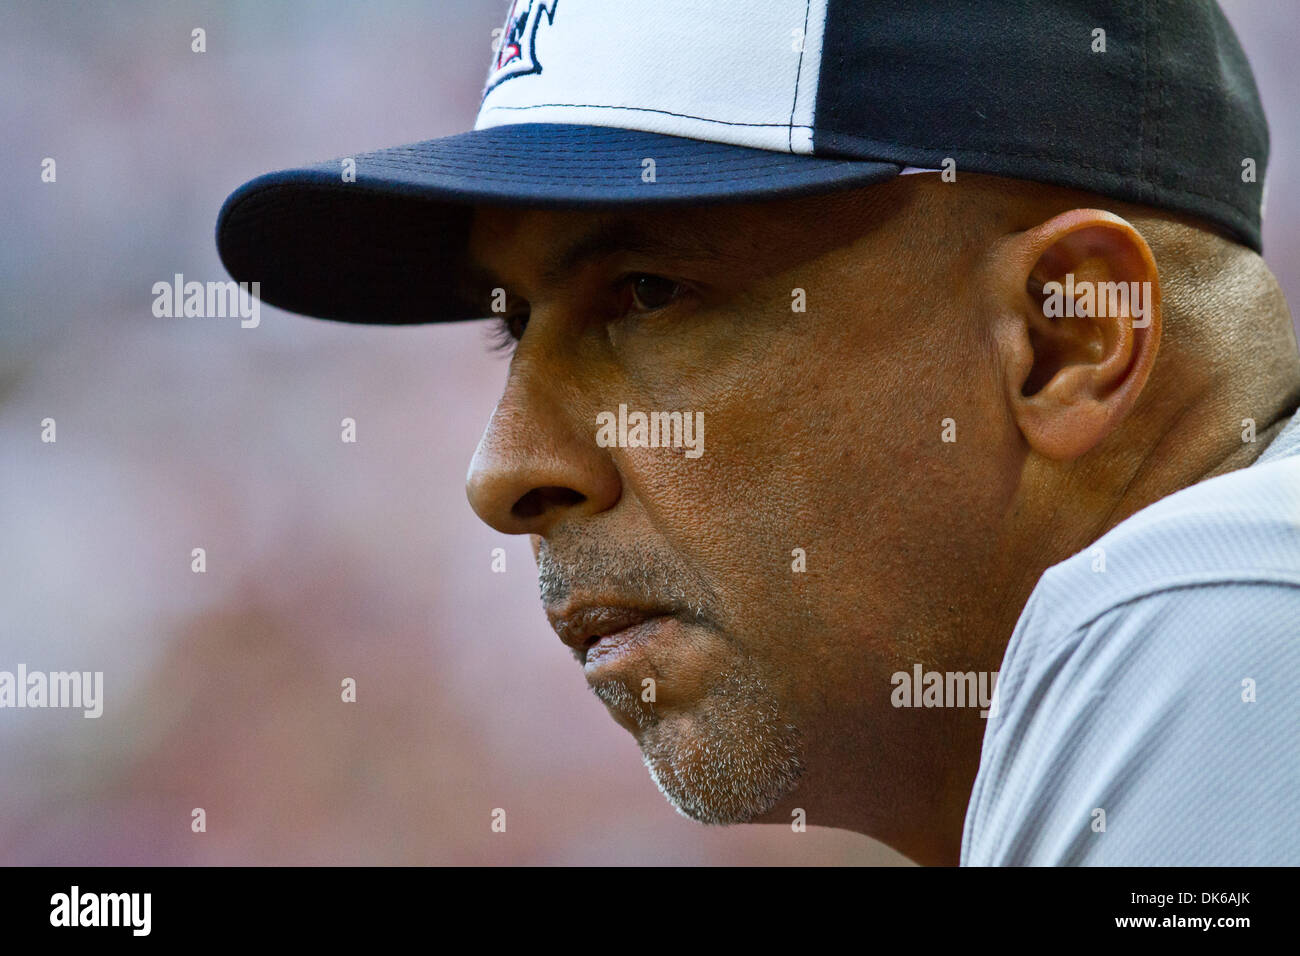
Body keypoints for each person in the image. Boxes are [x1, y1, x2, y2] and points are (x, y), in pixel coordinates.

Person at [217, 0, 1300, 865]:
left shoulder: (1219, 609)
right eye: (514, 328)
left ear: (1063, 337)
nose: (503, 473)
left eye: (646, 293)